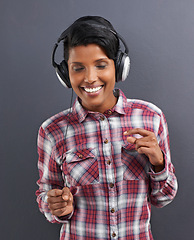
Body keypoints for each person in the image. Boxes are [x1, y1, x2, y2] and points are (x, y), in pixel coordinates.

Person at [36, 16, 178, 239]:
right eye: (78, 68)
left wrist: (159, 162)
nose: (90, 78)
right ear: (65, 74)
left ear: (119, 67)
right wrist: (54, 205)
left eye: (100, 65)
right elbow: (47, 196)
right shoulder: (52, 131)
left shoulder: (152, 117)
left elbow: (164, 197)